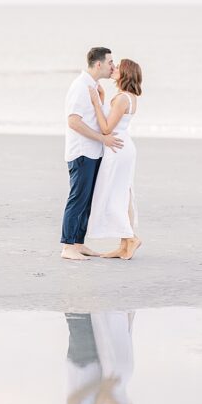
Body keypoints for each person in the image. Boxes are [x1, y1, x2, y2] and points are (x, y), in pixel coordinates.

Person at [60, 47, 125, 261]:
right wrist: (102, 139)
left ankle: (79, 242)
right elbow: (74, 121)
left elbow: (94, 117)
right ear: (99, 64)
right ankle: (67, 246)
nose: (113, 67)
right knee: (78, 198)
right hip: (81, 152)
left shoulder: (93, 86)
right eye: (110, 63)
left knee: (88, 199)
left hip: (93, 152)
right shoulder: (80, 87)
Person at [86, 59, 144, 260]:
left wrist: (95, 103)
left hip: (117, 147)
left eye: (118, 67)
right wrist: (102, 99)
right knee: (122, 193)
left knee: (114, 194)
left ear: (125, 73)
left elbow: (106, 128)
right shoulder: (129, 97)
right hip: (122, 145)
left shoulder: (121, 99)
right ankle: (124, 244)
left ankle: (130, 238)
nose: (114, 69)